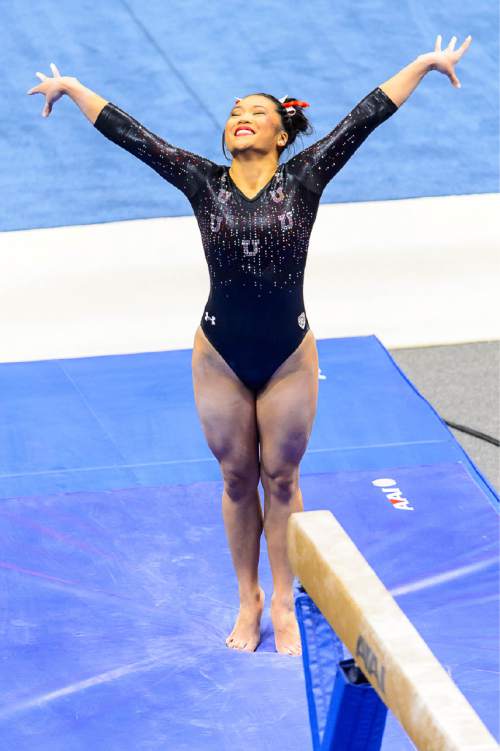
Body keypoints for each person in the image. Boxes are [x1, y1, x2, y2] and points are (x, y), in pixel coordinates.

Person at [27, 34, 471, 655]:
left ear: (282, 134)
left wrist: (425, 65)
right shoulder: (203, 183)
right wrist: (73, 89)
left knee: (281, 478)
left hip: (289, 357)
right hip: (220, 354)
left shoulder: (306, 178)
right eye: (234, 112)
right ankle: (249, 597)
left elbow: (366, 116)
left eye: (256, 112)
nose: (241, 117)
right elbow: (133, 135)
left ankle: (286, 598)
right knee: (238, 477)